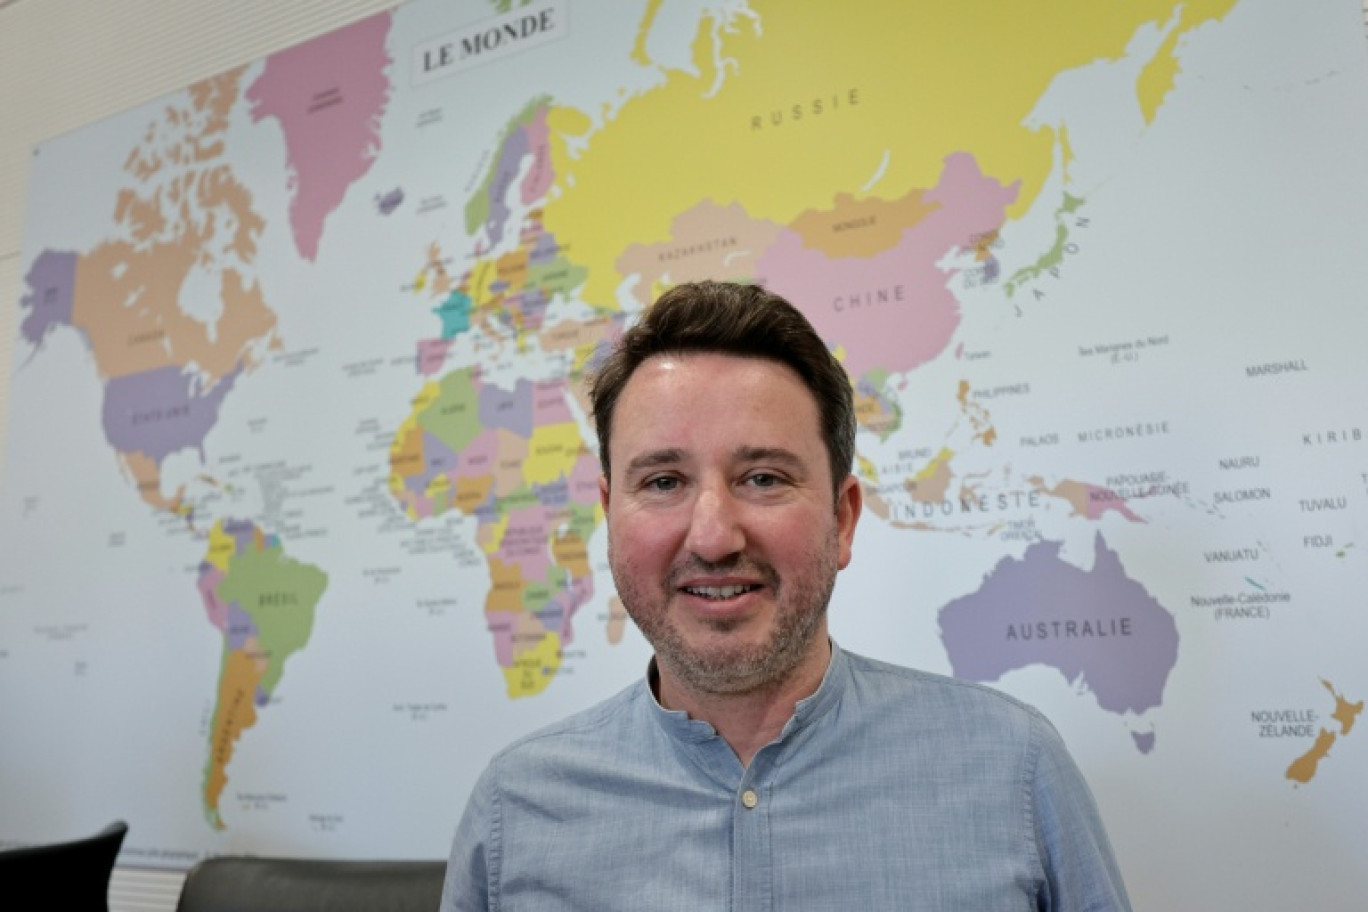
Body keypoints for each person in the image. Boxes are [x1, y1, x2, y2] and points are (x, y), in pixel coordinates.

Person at [441, 281, 1132, 911]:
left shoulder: (1015, 770)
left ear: (842, 519)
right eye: (663, 482)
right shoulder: (513, 816)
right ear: (609, 512)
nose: (713, 537)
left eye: (764, 478)